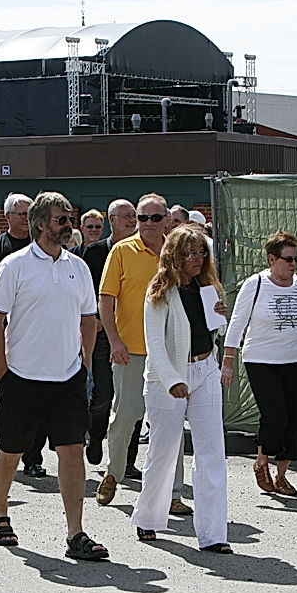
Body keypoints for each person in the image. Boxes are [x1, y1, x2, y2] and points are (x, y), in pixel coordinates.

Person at [0, 190, 105, 560]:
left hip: (68, 378)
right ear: (40, 224)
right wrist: (3, 373)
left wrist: (84, 365)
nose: (69, 225)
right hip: (22, 377)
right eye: (61, 219)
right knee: (11, 450)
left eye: (70, 218)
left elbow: (90, 318)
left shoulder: (78, 267)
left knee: (72, 451)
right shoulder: (14, 265)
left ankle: (76, 534)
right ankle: (0, 512)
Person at [132, 227, 231, 551]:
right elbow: (154, 344)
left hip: (205, 370)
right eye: (190, 253)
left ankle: (214, 534)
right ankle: (147, 518)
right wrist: (173, 379)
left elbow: (216, 333)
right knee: (163, 451)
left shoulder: (208, 286)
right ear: (175, 255)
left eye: (202, 252)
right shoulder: (159, 290)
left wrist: (221, 317)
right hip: (167, 377)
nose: (198, 259)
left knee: (212, 452)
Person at [96, 193, 190, 513]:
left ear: (167, 220)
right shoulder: (121, 251)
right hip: (131, 351)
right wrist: (115, 342)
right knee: (126, 416)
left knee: (170, 420)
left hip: (171, 353)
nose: (148, 223)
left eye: (155, 217)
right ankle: (114, 472)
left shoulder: (179, 253)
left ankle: (173, 492)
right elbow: (106, 300)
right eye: (142, 218)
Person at [223, 231, 297, 496]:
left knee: (293, 418)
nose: (293, 265)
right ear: (272, 259)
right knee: (275, 415)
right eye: (288, 259)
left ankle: (282, 474)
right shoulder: (256, 284)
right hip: (261, 359)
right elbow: (237, 322)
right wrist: (228, 360)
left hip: (296, 359)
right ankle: (262, 460)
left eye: (296, 259)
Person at [0, 193, 47, 476]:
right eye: (20, 214)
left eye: (28, 213)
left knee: (41, 394)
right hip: (9, 332)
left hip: (41, 333)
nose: (25, 218)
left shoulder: (42, 246)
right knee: (11, 393)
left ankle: (34, 458)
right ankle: (9, 447)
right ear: (7, 217)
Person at [81, 199, 138, 467]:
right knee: (104, 393)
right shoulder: (94, 252)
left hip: (135, 333)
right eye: (125, 216)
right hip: (103, 332)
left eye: (133, 215)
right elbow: (85, 291)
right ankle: (96, 434)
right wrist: (95, 320)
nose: (131, 220)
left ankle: (128, 459)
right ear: (112, 220)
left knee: (133, 398)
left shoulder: (144, 251)